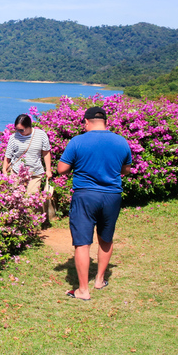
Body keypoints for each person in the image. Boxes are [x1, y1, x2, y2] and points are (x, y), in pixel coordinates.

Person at [57, 106, 132, 301]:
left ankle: (83, 290)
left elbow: (62, 169)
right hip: (112, 196)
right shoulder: (121, 141)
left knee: (82, 243)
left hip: (85, 196)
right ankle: (99, 280)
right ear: (106, 122)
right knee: (106, 238)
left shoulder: (78, 141)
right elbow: (126, 170)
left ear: (87, 122)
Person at [3, 114, 53, 195]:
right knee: (15, 198)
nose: (19, 132)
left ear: (29, 126)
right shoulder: (14, 137)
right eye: (17, 130)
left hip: (35, 173)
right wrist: (4, 170)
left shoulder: (41, 135)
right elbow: (8, 155)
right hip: (17, 172)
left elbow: (46, 153)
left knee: (31, 199)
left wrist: (48, 170)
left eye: (21, 130)